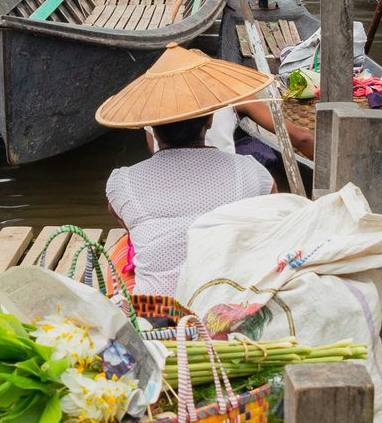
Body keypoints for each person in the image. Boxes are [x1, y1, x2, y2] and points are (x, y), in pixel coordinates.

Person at [98, 47, 274, 296]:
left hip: (158, 311)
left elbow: (122, 219)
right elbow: (272, 216)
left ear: (151, 128)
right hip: (230, 303)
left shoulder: (122, 182)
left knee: (121, 251)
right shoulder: (249, 170)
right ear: (210, 121)